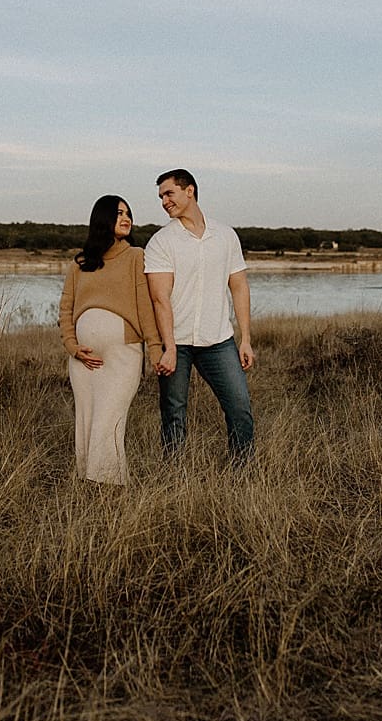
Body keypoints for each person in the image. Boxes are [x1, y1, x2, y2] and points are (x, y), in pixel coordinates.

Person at [143, 171, 256, 461]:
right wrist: (168, 347)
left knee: (239, 406)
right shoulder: (161, 242)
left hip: (218, 340)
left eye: (169, 194)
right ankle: (175, 479)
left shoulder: (226, 236)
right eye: (161, 197)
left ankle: (242, 472)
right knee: (173, 414)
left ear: (189, 190)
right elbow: (159, 298)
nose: (164, 202)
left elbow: (239, 287)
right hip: (176, 343)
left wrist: (245, 340)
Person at [58, 196, 161, 485]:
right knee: (87, 422)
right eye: (119, 214)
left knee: (109, 421)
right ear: (103, 219)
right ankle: (89, 487)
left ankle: (112, 489)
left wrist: (155, 348)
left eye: (128, 213)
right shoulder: (80, 263)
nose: (126, 218)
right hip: (82, 359)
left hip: (122, 355)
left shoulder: (135, 256)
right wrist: (72, 347)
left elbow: (145, 306)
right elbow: (66, 308)